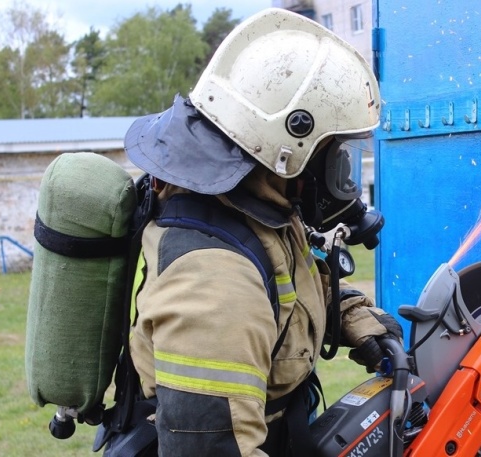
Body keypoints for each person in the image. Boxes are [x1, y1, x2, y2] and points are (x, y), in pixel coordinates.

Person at [103, 9, 401, 456]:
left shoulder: (258, 210)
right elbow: (211, 450)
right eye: (338, 153)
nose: (345, 178)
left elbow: (288, 288)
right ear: (291, 144)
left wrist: (353, 318)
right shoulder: (215, 280)